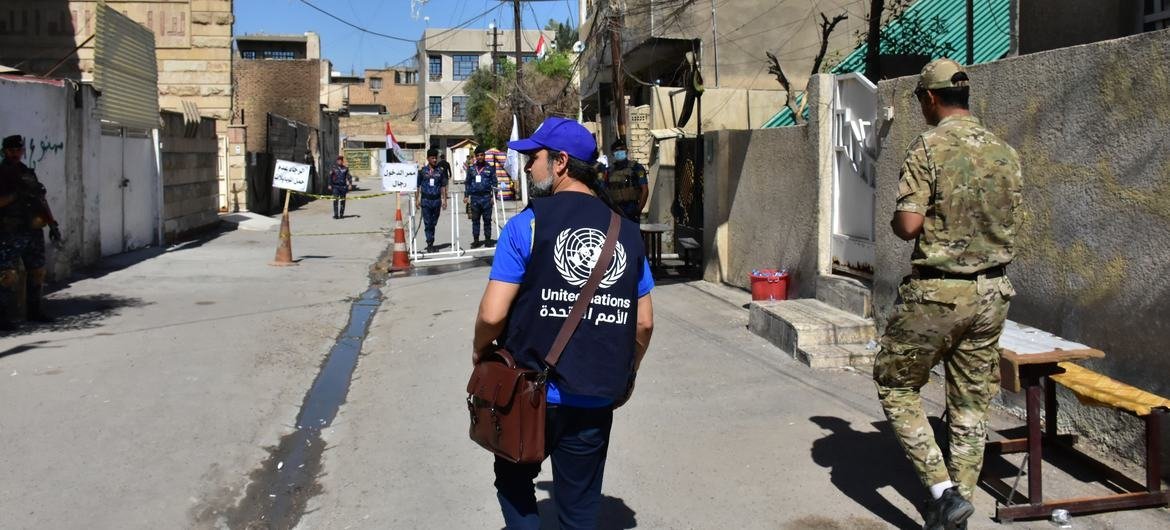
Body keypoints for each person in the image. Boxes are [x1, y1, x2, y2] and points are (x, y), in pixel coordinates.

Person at [473, 117, 655, 529]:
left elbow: (492, 314)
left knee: (514, 482)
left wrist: (479, 351)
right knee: (579, 508)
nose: (528, 166)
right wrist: (628, 372)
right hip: (594, 394)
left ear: (560, 163)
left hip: (527, 392)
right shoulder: (626, 233)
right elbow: (643, 325)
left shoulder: (527, 224)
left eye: (534, 157)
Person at [872, 58, 1022, 530]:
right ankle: (958, 507)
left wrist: (901, 218)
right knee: (971, 403)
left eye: (920, 100)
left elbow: (909, 226)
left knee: (895, 384)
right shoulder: (1005, 151)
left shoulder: (928, 147)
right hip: (993, 290)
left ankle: (941, 491)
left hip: (939, 293)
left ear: (931, 98)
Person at [0, 135, 63, 326]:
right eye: (12, 151)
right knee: (7, 274)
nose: (16, 154)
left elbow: (41, 200)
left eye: (19, 150)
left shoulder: (27, 173)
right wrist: (16, 194)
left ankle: (34, 311)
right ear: (5, 151)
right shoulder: (1, 173)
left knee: (38, 271)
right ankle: (3, 316)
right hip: (10, 232)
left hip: (33, 231)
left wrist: (52, 224)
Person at [602, 138, 648, 221]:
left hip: (631, 210)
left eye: (622, 149)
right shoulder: (609, 171)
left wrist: (638, 210)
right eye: (616, 150)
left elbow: (644, 190)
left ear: (626, 151)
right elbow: (604, 192)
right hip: (615, 211)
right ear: (613, 153)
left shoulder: (636, 167)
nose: (619, 152)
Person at [415, 148, 449, 252]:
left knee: (433, 222)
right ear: (428, 158)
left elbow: (443, 186)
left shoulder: (440, 171)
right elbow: (417, 186)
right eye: (432, 158)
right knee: (427, 222)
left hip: (436, 201)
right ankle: (430, 243)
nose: (434, 160)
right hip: (426, 200)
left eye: (436, 158)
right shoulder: (422, 171)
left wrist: (444, 200)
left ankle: (431, 239)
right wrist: (417, 199)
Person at [464, 146, 497, 248]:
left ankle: (487, 240)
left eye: (481, 155)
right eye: (477, 155)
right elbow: (468, 183)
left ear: (484, 156)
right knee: (475, 220)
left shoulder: (490, 168)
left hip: (487, 198)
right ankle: (476, 240)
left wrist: (493, 197)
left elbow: (495, 183)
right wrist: (466, 195)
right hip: (475, 198)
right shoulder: (471, 169)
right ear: (475, 157)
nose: (479, 157)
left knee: (487, 220)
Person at [326, 155, 352, 219]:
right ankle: (336, 215)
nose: (340, 161)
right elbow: (330, 177)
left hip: (343, 187)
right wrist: (329, 184)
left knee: (342, 201)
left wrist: (350, 184)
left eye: (341, 160)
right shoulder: (333, 169)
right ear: (337, 161)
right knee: (335, 200)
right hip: (335, 187)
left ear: (342, 161)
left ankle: (341, 214)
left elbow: (349, 177)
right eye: (338, 160)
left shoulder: (345, 169)